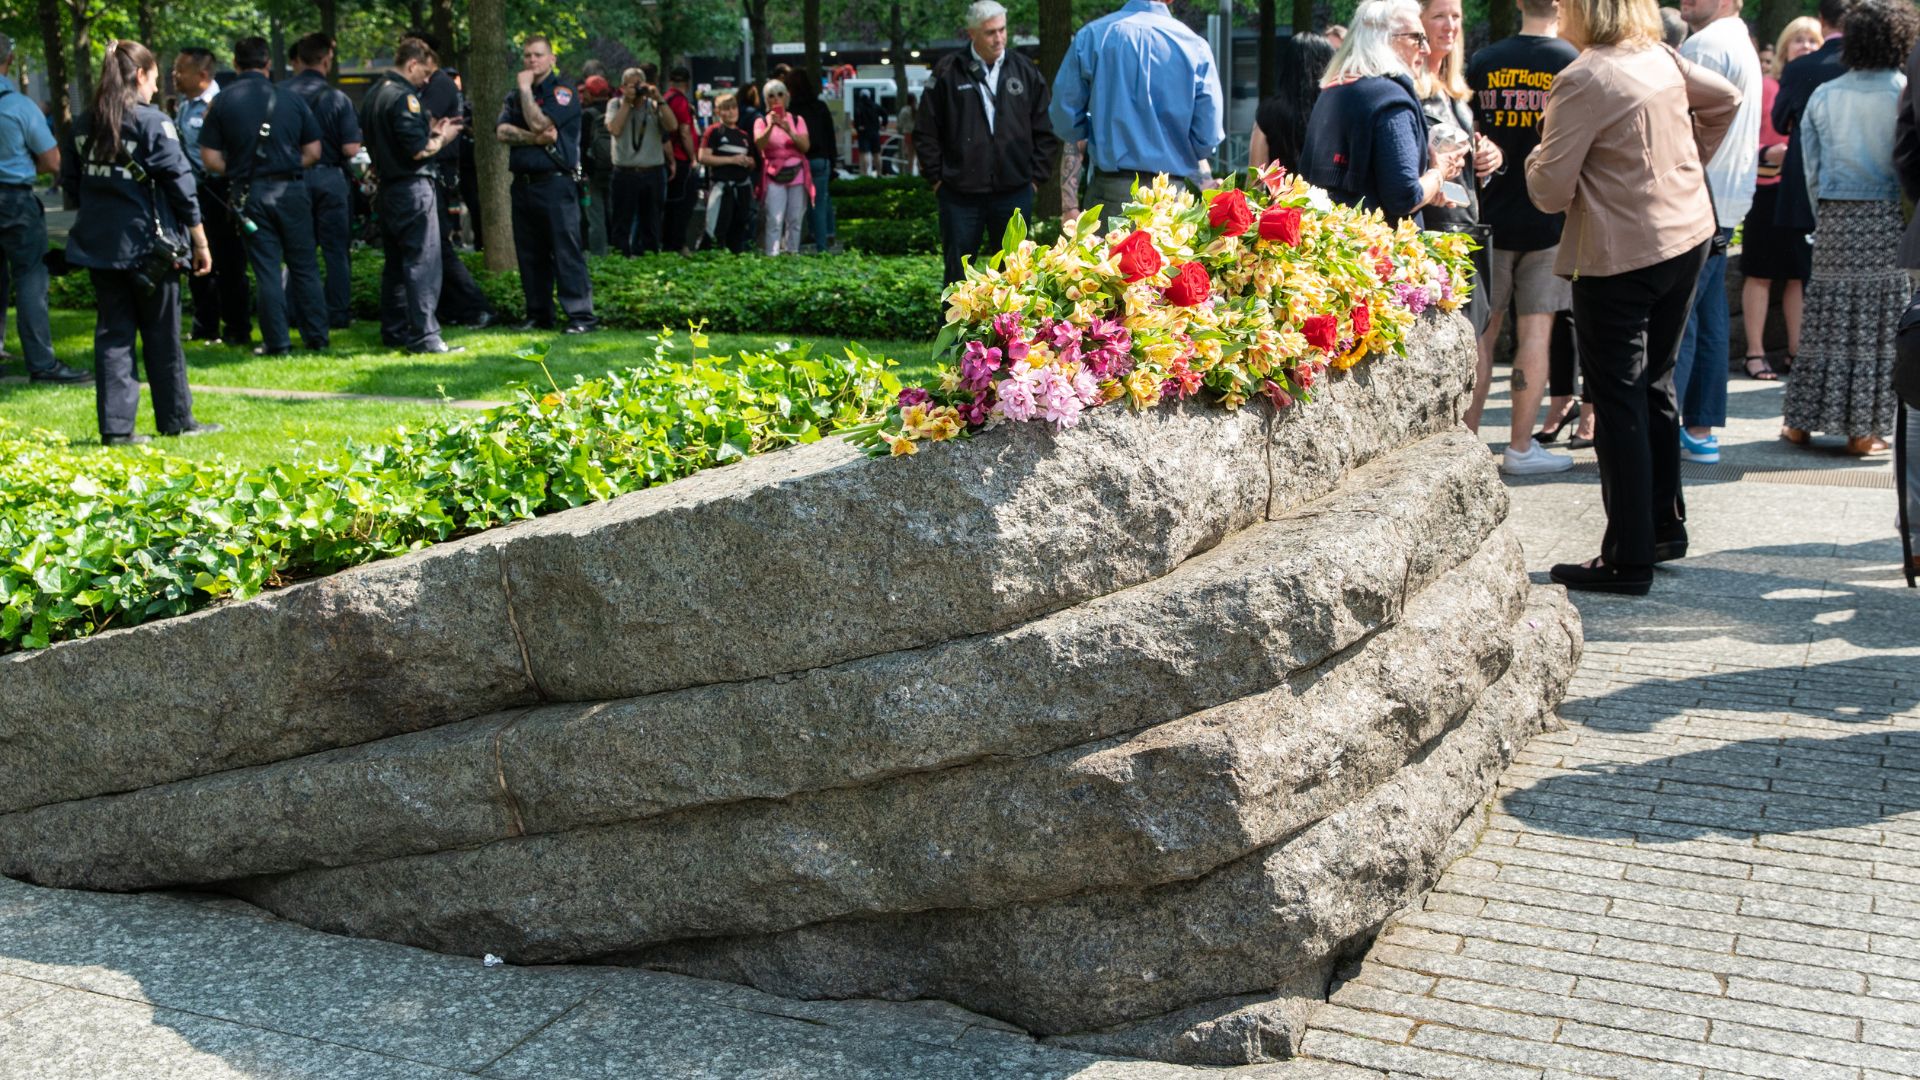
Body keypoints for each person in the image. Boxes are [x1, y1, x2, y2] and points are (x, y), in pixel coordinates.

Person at [1526, 0, 1739, 595]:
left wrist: (1532, 158)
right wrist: (1686, 166)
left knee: (1619, 399)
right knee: (1655, 384)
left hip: (1621, 253)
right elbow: (1726, 99)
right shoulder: (1661, 55)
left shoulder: (1584, 75)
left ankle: (1627, 556)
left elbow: (1547, 191)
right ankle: (1661, 530)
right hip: (1687, 233)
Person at [1780, 0, 1918, 457]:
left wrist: (1826, 220)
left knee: (1825, 320)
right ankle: (1864, 429)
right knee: (1879, 326)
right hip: (1885, 219)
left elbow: (1811, 170)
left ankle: (1799, 422)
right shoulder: (1902, 87)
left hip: (1837, 217)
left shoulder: (1825, 93)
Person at [61, 40, 216, 444]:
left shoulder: (82, 124)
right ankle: (176, 420)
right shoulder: (153, 123)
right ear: (142, 75)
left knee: (113, 336)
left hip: (99, 245)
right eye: (154, 77)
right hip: (151, 248)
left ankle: (116, 430)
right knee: (162, 335)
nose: (155, 87)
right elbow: (181, 186)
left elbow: (72, 185)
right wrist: (200, 240)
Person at [1466, 0, 1581, 468]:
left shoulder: (1484, 62)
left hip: (1490, 216)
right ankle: (1518, 448)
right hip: (1548, 217)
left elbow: (1466, 133)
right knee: (1536, 331)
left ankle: (1467, 445)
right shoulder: (1571, 61)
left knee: (1482, 336)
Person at [1669, 0, 1761, 465]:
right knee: (1707, 318)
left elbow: (1679, 126)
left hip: (1698, 197)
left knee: (1679, 322)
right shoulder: (1738, 40)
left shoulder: (1706, 44)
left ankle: (1668, 429)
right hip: (1725, 199)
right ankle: (1700, 428)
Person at [199, 36, 327, 357]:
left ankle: (277, 342)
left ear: (236, 63)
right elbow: (313, 152)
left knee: (266, 269)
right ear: (268, 62)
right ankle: (317, 336)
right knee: (305, 266)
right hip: (292, 190)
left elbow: (211, 160)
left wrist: (243, 169)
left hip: (251, 193)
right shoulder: (291, 100)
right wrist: (284, 164)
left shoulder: (222, 102)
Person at [919, 0, 1061, 286]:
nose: (999, 38)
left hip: (1014, 191)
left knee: (1015, 274)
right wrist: (937, 179)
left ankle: (1012, 331)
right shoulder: (948, 71)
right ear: (972, 34)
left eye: (1002, 30)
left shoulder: (1024, 70)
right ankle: (954, 330)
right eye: (990, 32)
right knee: (957, 276)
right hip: (959, 194)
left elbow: (1046, 129)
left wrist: (1035, 179)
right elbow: (925, 131)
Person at [1051, 0, 1224, 222]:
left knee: (1110, 257)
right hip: (1173, 203)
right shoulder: (1195, 47)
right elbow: (1206, 138)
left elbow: (1064, 120)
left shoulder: (1091, 37)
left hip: (1110, 196)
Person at [1300, 0, 1464, 228]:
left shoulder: (1334, 89)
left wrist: (1429, 187)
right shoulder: (1391, 100)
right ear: (1385, 39)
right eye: (1417, 38)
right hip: (1377, 253)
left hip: (1331, 244)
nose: (1425, 49)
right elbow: (1404, 197)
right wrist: (1439, 173)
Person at [361, 37, 465, 355]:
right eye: (426, 71)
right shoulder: (405, 97)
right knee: (423, 260)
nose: (428, 79)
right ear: (412, 64)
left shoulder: (373, 95)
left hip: (388, 188)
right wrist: (443, 137)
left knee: (395, 264)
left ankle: (394, 331)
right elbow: (418, 150)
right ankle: (425, 336)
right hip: (412, 188)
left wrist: (429, 133)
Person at [0, 32, 88, 383]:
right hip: (15, 200)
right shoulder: (19, 106)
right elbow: (53, 162)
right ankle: (42, 363)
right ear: (8, 61)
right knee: (31, 279)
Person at [1740, 16, 1823, 382]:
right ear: (1785, 45)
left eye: (1812, 40)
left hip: (1802, 195)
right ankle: (1754, 353)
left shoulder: (1822, 87)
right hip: (1766, 190)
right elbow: (1743, 139)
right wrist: (1766, 152)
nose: (1805, 46)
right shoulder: (1765, 85)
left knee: (1796, 277)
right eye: (1799, 40)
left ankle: (1797, 353)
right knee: (1759, 274)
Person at [495, 35, 595, 333]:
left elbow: (541, 123)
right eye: (527, 56)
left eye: (538, 55)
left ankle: (581, 317)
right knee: (530, 253)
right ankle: (539, 314)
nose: (531, 61)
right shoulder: (513, 96)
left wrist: (526, 91)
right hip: (523, 183)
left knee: (566, 251)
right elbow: (502, 131)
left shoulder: (562, 92)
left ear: (552, 58)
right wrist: (534, 138)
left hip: (555, 183)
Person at [1415, 0, 1500, 340]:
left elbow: (1467, 162)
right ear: (1417, 22)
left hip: (1467, 228)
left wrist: (1491, 157)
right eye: (1439, 16)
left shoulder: (1456, 91)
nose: (1450, 25)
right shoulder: (1411, 91)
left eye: (1456, 17)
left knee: (1472, 340)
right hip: (1435, 233)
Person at [410, 30, 493, 329]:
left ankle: (474, 306)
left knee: (438, 245)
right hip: (430, 168)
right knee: (431, 245)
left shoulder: (440, 85)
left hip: (437, 170)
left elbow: (422, 125)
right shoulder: (430, 85)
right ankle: (450, 308)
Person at [172, 47, 251, 348]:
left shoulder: (223, 104)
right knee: (197, 262)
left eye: (181, 70)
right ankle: (206, 325)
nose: (175, 76)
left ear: (202, 75)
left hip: (219, 191)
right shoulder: (183, 107)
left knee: (230, 262)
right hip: (193, 195)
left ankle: (237, 328)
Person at [286, 33, 361, 332]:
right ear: (326, 60)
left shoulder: (280, 93)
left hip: (292, 178)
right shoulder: (337, 98)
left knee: (296, 251)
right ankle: (338, 314)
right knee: (335, 251)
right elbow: (351, 149)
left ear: (298, 60)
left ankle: (295, 311)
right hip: (330, 178)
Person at [1771, 0, 1851, 236]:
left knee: (1806, 264)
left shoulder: (1799, 68)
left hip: (1804, 174)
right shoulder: (1865, 65)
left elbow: (1779, 122)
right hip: (1854, 175)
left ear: (1822, 20)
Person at [605, 64, 676, 255]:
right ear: (622, 87)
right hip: (625, 173)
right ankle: (621, 263)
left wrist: (659, 98)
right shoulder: (615, 104)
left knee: (651, 224)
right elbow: (615, 129)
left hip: (653, 172)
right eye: (631, 85)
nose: (636, 89)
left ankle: (650, 260)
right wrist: (627, 102)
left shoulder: (653, 106)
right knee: (621, 223)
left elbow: (672, 126)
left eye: (639, 84)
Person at [1250, 32, 1334, 174]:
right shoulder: (1335, 110)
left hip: (1283, 195)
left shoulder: (1269, 112)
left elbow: (1255, 181)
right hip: (1328, 195)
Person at [755, 78, 812, 255]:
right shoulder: (761, 122)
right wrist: (771, 126)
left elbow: (805, 147)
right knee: (774, 219)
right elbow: (759, 145)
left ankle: (792, 253)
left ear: (786, 97)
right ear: (766, 100)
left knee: (795, 219)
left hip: (797, 173)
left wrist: (789, 130)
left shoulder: (797, 120)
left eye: (780, 94)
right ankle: (772, 257)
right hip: (774, 174)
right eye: (771, 96)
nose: (776, 99)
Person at [700, 92, 756, 253]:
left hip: (742, 188)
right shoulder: (714, 131)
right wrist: (731, 160)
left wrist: (749, 162)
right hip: (722, 188)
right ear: (718, 112)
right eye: (726, 109)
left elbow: (752, 162)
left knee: (739, 228)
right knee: (716, 228)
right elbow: (703, 157)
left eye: (734, 108)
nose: (731, 112)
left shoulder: (744, 135)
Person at [788, 70, 837, 252]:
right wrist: (832, 161)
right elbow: (830, 136)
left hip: (799, 160)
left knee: (799, 203)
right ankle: (822, 244)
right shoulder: (820, 107)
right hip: (820, 159)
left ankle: (800, 240)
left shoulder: (791, 111)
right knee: (820, 203)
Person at [661, 66, 699, 255]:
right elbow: (685, 132)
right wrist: (693, 158)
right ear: (687, 83)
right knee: (683, 204)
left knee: (670, 204)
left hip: (667, 159)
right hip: (680, 159)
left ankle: (669, 243)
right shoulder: (681, 102)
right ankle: (677, 244)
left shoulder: (665, 98)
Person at [579, 74, 614, 256]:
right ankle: (617, 249)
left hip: (592, 172)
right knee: (614, 210)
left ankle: (599, 253)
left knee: (595, 214)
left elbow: (581, 146)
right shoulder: (615, 110)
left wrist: (580, 173)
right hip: (616, 168)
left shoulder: (586, 115)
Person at [897, 92, 917, 176]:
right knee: (920, 156)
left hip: (908, 134)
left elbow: (900, 124)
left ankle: (909, 174)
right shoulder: (918, 108)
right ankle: (921, 173)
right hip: (918, 134)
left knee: (910, 156)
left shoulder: (904, 110)